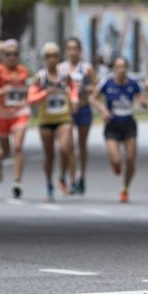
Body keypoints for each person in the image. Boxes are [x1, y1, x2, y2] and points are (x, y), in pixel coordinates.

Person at [27, 42, 78, 202]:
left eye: (55, 56)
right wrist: (45, 93)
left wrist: (74, 99)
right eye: (49, 56)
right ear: (44, 59)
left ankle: (64, 177)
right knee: (49, 156)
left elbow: (73, 87)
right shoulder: (40, 77)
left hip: (63, 118)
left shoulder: (64, 75)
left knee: (65, 148)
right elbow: (31, 98)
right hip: (46, 120)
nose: (52, 59)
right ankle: (49, 185)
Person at [90, 57, 144, 203]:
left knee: (131, 159)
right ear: (114, 69)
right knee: (116, 160)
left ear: (127, 68)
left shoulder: (133, 84)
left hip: (128, 125)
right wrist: (103, 110)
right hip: (112, 125)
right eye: (118, 67)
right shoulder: (107, 83)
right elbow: (92, 98)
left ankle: (125, 188)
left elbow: (142, 99)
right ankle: (117, 166)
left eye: (123, 67)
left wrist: (143, 102)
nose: (121, 70)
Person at [0, 39, 30, 198]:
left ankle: (17, 182)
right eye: (9, 55)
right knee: (6, 150)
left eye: (15, 54)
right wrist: (2, 91)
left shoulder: (23, 71)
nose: (12, 58)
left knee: (18, 147)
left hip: (19, 113)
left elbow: (25, 90)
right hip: (0, 114)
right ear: (4, 56)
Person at [59, 38, 97, 195]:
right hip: (67, 111)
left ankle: (82, 175)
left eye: (75, 48)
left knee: (82, 145)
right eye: (69, 48)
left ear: (80, 50)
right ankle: (71, 179)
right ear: (66, 50)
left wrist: (84, 88)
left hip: (83, 108)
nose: (72, 51)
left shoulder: (87, 68)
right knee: (68, 146)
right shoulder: (61, 68)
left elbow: (96, 86)